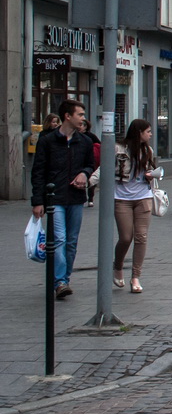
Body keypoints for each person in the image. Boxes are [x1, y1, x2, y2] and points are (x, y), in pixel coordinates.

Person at [31, 100, 95, 299]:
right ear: (68, 116)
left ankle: (64, 279)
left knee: (72, 241)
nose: (83, 118)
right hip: (55, 198)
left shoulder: (84, 141)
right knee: (59, 238)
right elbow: (38, 172)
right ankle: (60, 281)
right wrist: (37, 201)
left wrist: (85, 173)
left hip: (76, 197)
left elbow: (90, 164)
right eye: (80, 114)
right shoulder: (47, 141)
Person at [112, 119, 157, 294]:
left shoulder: (148, 150)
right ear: (139, 132)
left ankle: (136, 276)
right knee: (125, 237)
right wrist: (88, 181)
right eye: (148, 131)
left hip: (143, 197)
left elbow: (148, 171)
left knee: (141, 237)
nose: (150, 134)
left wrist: (151, 175)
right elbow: (105, 168)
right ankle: (117, 266)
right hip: (122, 198)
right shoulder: (118, 149)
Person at [81, 118, 101, 207]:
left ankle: (90, 198)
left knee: (91, 178)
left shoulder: (90, 136)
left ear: (85, 127)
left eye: (82, 125)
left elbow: (99, 145)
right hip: (80, 160)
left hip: (91, 160)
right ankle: (81, 197)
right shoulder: (74, 135)